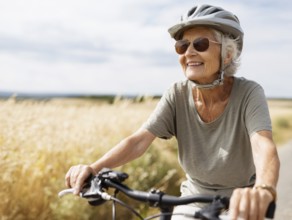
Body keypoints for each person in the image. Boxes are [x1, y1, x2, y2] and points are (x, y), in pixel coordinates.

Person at [65, 4, 280, 220]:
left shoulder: (249, 92)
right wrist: (94, 168)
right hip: (192, 200)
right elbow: (139, 140)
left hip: (242, 200)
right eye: (182, 45)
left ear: (227, 55)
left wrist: (264, 190)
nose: (189, 52)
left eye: (201, 44)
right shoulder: (176, 94)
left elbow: (262, 145)